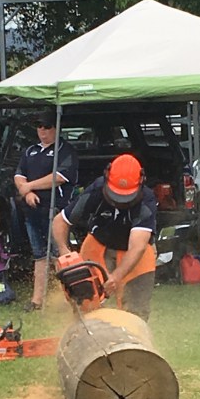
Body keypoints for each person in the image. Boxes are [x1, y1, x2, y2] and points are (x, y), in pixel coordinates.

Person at [52, 153, 157, 321]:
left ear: (141, 182)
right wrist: (64, 251)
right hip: (99, 245)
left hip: (134, 253)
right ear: (107, 177)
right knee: (86, 304)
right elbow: (60, 221)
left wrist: (116, 276)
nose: (120, 201)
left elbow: (137, 247)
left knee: (136, 312)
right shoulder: (96, 190)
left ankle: (132, 342)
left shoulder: (147, 200)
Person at [14, 108, 78, 311]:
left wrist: (30, 186)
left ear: (56, 128)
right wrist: (26, 193)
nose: (43, 131)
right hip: (32, 210)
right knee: (39, 254)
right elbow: (18, 175)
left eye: (47, 127)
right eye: (39, 127)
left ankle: (69, 295)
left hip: (55, 210)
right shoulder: (30, 151)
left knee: (61, 252)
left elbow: (59, 177)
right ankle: (37, 300)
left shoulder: (65, 150)